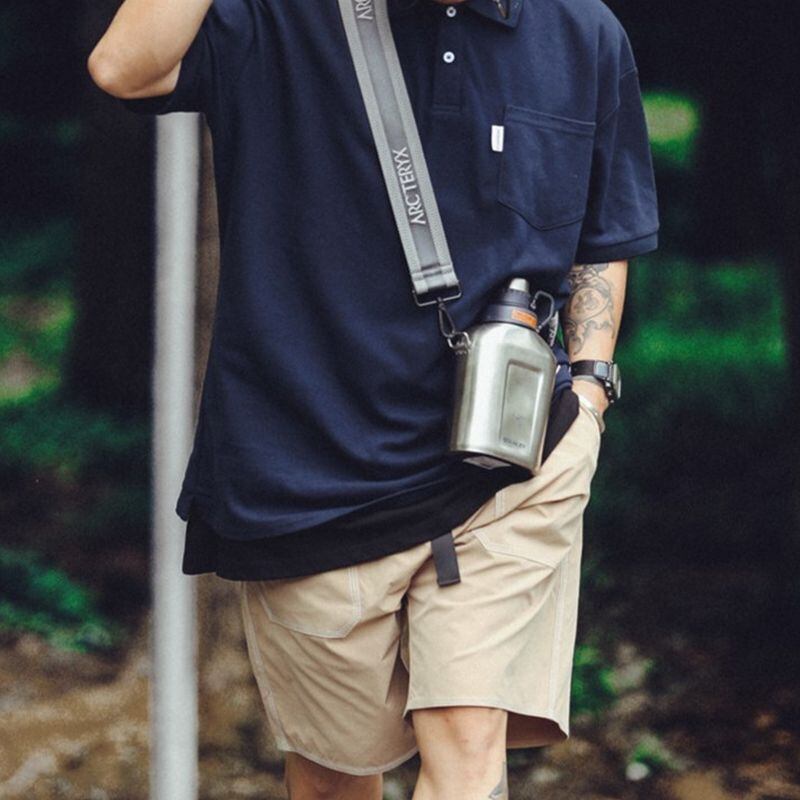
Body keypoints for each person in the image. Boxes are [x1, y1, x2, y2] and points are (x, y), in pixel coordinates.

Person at [88, 0, 658, 796]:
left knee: (468, 743)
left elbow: (603, 232)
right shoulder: (281, 20)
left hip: (510, 462)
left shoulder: (583, 32)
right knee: (336, 775)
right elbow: (125, 66)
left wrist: (590, 389)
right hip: (309, 471)